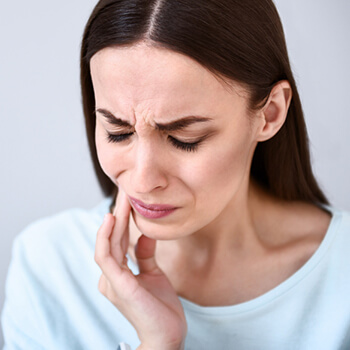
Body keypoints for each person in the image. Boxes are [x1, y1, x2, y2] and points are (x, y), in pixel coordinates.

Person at [2, 0, 350, 349]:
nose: (142, 181)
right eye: (117, 132)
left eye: (185, 139)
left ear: (270, 113)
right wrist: (157, 344)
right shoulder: (48, 267)